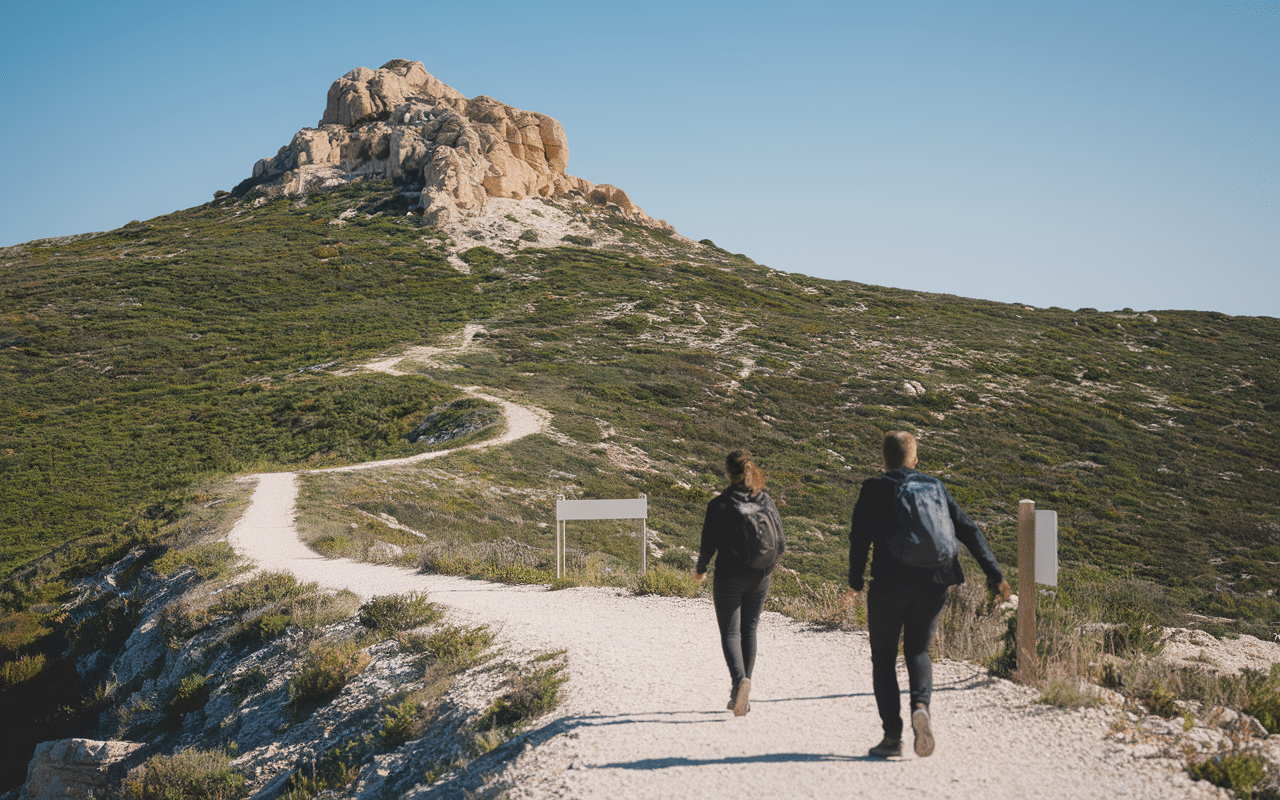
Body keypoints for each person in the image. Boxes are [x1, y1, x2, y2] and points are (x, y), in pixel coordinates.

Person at [846, 431, 1010, 758]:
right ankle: (921, 706)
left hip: (888, 584)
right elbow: (969, 530)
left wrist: (855, 581)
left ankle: (892, 738)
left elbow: (859, 537)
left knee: (883, 658)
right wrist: (995, 574)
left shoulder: (874, 488)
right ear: (914, 458)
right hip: (935, 582)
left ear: (884, 459)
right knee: (918, 651)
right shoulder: (935, 486)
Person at [696, 450, 786, 716]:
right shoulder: (765, 500)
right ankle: (743, 691)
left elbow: (707, 545)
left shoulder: (719, 505)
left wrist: (700, 571)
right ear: (750, 470)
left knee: (731, 633)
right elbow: (780, 540)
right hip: (760, 576)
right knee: (749, 630)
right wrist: (768, 568)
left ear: (727, 473)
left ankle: (739, 683)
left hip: (728, 577)